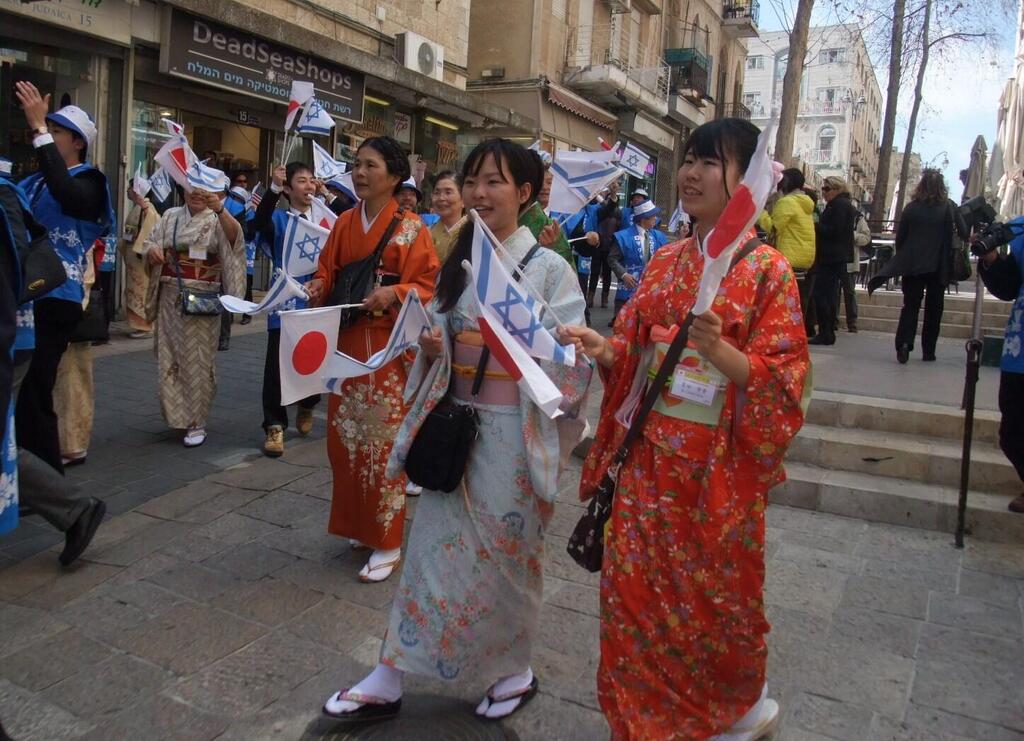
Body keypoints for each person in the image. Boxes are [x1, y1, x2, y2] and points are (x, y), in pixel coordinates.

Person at [322, 138, 591, 723]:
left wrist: (527, 350)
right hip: (456, 425)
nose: (479, 193)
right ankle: (390, 670)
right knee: (428, 554)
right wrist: (434, 346)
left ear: (523, 193)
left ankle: (514, 670)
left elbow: (575, 367)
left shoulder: (550, 270)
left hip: (513, 437)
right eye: (472, 181)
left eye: (494, 181)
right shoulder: (462, 262)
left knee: (507, 560)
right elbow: (435, 336)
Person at [561, 118, 810, 739]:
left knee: (713, 602)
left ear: (747, 179)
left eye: (710, 162)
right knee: (634, 598)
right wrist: (607, 349)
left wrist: (727, 357)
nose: (692, 173)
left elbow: (787, 380)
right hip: (647, 461)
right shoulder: (668, 260)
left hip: (713, 473)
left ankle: (723, 709)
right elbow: (636, 350)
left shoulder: (768, 271)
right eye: (689, 160)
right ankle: (643, 717)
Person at [305, 136, 439, 582]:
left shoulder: (411, 228)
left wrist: (395, 291)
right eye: (356, 164)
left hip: (387, 346)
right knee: (345, 441)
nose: (360, 173)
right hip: (347, 344)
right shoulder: (344, 221)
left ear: (396, 174)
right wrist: (317, 287)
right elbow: (329, 270)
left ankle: (388, 539)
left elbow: (427, 285)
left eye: (371, 165)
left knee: (382, 444)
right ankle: (357, 524)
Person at [1, 167, 105, 564]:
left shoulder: (7, 195)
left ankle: (75, 506)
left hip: (13, 333)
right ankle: (74, 507)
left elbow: (14, 269)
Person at [14, 82, 114, 475]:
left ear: (77, 142)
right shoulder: (33, 182)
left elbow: (67, 192)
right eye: (47, 129)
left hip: (56, 294)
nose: (47, 135)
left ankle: (47, 481)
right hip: (24, 294)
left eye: (55, 131)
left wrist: (37, 127)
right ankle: (32, 474)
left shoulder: (91, 182)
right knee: (24, 389)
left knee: (36, 387)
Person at [144, 163, 245, 447]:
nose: (196, 193)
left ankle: (196, 421)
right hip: (168, 295)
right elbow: (151, 242)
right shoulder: (170, 215)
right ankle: (178, 416)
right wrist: (152, 250)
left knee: (198, 359)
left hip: (201, 297)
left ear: (215, 192)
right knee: (168, 356)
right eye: (191, 187)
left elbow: (235, 242)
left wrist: (221, 210)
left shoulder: (217, 218)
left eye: (204, 189)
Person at [252, 162, 341, 457]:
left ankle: (308, 404)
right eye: (301, 181)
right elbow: (258, 223)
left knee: (314, 360)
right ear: (289, 188)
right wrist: (272, 189)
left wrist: (328, 194)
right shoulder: (279, 219)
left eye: (311, 181)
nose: (309, 186)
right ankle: (274, 426)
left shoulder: (324, 219)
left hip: (316, 302)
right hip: (286, 303)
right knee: (276, 367)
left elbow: (348, 221)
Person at [869, 169, 969, 363]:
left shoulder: (911, 208)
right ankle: (928, 351)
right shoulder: (949, 207)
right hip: (939, 267)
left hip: (913, 265)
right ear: (942, 187)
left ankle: (904, 344)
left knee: (910, 306)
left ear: (921, 186)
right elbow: (964, 232)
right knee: (934, 309)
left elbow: (901, 239)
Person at [977, 218, 1024, 512]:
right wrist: (991, 258)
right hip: (1020, 350)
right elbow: (1008, 287)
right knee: (1013, 430)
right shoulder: (1019, 229)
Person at [758, 167, 815, 336]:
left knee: (784, 301)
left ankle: (785, 334)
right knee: (798, 299)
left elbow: (773, 228)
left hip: (789, 256)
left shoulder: (788, 202)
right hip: (803, 257)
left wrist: (759, 212)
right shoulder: (804, 203)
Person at [809, 176, 858, 346]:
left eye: (827, 189)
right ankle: (827, 331)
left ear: (837, 189)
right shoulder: (841, 205)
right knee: (828, 294)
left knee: (822, 294)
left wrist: (815, 225)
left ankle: (826, 332)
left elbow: (834, 230)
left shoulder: (838, 206)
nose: (824, 193)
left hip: (831, 256)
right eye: (823, 189)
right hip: (835, 256)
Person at [607, 199, 671, 325]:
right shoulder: (623, 236)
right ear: (643, 219)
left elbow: (669, 252)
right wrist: (624, 275)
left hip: (649, 290)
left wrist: (681, 237)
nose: (655, 219)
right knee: (623, 326)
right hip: (627, 289)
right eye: (652, 216)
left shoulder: (657, 236)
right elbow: (612, 258)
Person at [121, 186, 157, 338]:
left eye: (130, 188)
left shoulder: (147, 208)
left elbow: (151, 227)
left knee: (141, 289)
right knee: (134, 289)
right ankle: (138, 324)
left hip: (139, 255)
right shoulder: (138, 208)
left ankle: (145, 325)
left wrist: (139, 244)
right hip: (132, 253)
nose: (128, 191)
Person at [521, 168, 573, 264]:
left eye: (550, 182)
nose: (545, 187)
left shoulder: (561, 215)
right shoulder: (521, 216)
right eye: (540, 182)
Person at [589, 180, 620, 309]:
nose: (607, 203)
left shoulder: (618, 213)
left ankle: (605, 297)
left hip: (610, 246)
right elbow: (607, 207)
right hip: (598, 245)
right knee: (595, 271)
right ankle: (590, 297)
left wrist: (613, 193)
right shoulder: (599, 212)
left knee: (607, 273)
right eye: (605, 200)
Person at [427, 170, 465, 262]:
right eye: (437, 193)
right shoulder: (426, 233)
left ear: (464, 199)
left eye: (448, 192)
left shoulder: (473, 233)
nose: (441, 198)